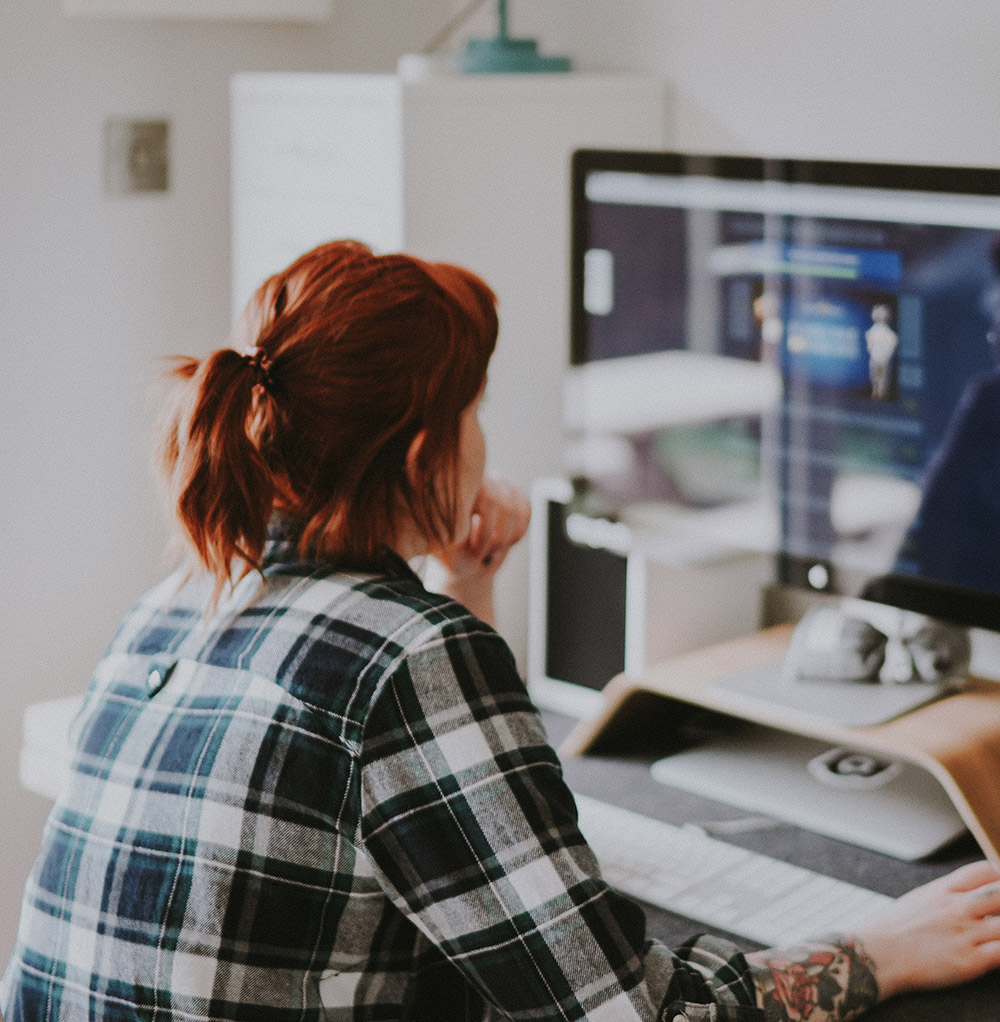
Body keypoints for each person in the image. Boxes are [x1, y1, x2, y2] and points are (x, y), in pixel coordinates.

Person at [3, 239, 1000, 1022]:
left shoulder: (179, 597)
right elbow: (633, 1009)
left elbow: (447, 824)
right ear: (430, 448)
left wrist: (463, 580)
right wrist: (881, 949)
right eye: (473, 409)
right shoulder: (407, 654)